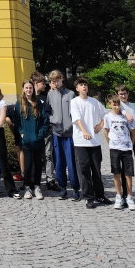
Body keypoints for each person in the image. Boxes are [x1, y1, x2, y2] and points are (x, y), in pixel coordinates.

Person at [70, 77, 111, 209]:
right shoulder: (74, 102)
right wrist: (84, 132)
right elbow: (77, 119)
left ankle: (100, 195)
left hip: (94, 142)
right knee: (84, 170)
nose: (84, 87)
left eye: (85, 85)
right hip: (81, 142)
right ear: (77, 89)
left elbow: (106, 115)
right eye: (81, 85)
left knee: (96, 170)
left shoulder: (94, 102)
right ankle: (88, 196)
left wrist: (100, 125)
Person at [46, 70, 80, 202]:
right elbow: (47, 112)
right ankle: (63, 188)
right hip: (56, 133)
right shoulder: (50, 94)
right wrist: (52, 119)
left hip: (69, 134)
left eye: (57, 80)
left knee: (71, 162)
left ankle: (76, 189)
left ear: (62, 79)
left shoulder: (70, 94)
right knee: (59, 162)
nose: (55, 83)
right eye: (53, 81)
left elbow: (75, 113)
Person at [14, 79, 50, 200]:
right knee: (28, 164)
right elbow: (16, 120)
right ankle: (28, 186)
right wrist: (21, 132)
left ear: (33, 89)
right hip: (27, 140)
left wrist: (41, 134)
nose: (28, 90)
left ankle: (37, 186)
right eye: (26, 88)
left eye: (30, 87)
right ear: (23, 89)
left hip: (38, 139)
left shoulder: (38, 103)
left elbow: (45, 121)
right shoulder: (19, 103)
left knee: (38, 164)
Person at [104, 93, 135, 211]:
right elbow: (106, 131)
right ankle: (119, 195)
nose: (117, 107)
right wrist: (110, 143)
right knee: (116, 173)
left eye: (118, 104)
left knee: (128, 174)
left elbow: (132, 131)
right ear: (110, 105)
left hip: (126, 148)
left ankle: (129, 196)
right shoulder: (107, 117)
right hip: (114, 149)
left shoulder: (126, 117)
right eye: (114, 105)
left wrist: (131, 143)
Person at [32, 72, 57, 191]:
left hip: (46, 130)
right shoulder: (29, 96)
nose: (45, 85)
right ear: (36, 84)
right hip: (33, 132)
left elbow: (50, 111)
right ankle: (32, 179)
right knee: (33, 157)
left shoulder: (46, 96)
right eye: (43, 83)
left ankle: (50, 179)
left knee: (48, 156)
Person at [5, 103, 24, 182]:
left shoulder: (7, 109)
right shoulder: (10, 107)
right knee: (20, 150)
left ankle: (23, 173)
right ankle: (23, 172)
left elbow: (8, 121)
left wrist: (14, 132)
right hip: (21, 128)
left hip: (19, 129)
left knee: (20, 150)